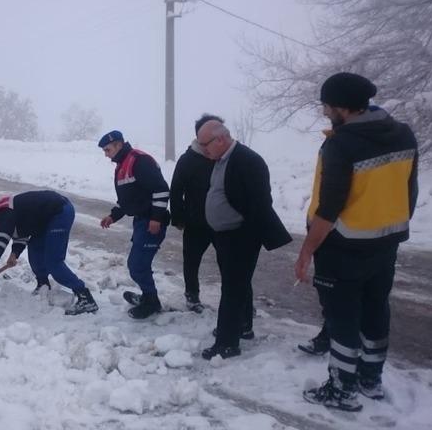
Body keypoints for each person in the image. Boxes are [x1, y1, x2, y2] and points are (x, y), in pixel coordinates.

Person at [294, 72, 418, 412]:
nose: (324, 112)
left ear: (342, 107)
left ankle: (342, 389)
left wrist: (306, 251)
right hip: (386, 243)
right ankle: (369, 379)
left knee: (342, 317)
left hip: (343, 247)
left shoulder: (341, 144)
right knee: (376, 309)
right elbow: (410, 190)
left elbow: (329, 208)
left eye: (326, 106)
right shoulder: (403, 134)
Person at [197, 120, 291, 360]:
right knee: (237, 284)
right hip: (225, 235)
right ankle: (242, 326)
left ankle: (227, 343)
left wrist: (242, 231)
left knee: (232, 288)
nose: (203, 149)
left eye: (205, 144)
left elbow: (260, 204)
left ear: (220, 139)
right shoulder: (221, 159)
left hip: (241, 236)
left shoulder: (248, 161)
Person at [0, 190, 98, 316]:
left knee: (53, 262)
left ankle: (85, 297)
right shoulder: (11, 216)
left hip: (59, 211)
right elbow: (21, 236)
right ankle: (43, 285)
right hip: (44, 222)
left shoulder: (4, 213)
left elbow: (0, 239)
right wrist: (14, 254)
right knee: (34, 252)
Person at [97, 130, 170, 319]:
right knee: (137, 264)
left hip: (151, 222)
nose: (106, 154)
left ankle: (152, 302)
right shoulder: (123, 165)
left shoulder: (139, 161)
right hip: (141, 221)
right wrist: (113, 216)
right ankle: (148, 296)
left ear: (119, 144)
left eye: (107, 149)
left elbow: (161, 190)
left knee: (137, 265)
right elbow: (128, 199)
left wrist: (156, 218)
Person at [169, 114, 225, 313]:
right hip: (196, 222)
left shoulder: (226, 157)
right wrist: (178, 217)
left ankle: (239, 298)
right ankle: (192, 295)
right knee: (191, 261)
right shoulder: (188, 159)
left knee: (230, 263)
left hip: (223, 223)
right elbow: (176, 189)